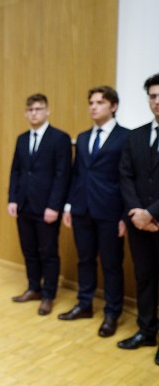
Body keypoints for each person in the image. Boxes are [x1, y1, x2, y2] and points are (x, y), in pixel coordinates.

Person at [59, 86, 128, 337]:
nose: (93, 106)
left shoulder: (126, 137)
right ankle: (85, 304)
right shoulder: (84, 137)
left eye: (100, 102)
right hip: (81, 210)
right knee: (85, 260)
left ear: (113, 106)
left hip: (110, 212)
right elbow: (76, 174)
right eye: (91, 102)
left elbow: (126, 179)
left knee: (111, 265)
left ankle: (112, 313)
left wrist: (124, 216)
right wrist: (68, 205)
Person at [8, 93, 72, 316]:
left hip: (47, 207)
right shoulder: (22, 138)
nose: (34, 113)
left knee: (49, 252)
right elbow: (16, 170)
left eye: (38, 109)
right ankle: (34, 287)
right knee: (29, 251)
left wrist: (55, 206)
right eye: (30, 110)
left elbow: (62, 175)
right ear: (26, 113)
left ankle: (48, 295)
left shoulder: (60, 138)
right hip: (24, 205)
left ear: (47, 111)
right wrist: (13, 199)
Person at [117, 72, 159, 365]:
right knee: (144, 278)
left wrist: (152, 213)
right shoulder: (136, 136)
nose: (157, 101)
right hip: (138, 224)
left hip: (155, 218)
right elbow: (126, 176)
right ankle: (146, 330)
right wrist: (136, 212)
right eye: (153, 96)